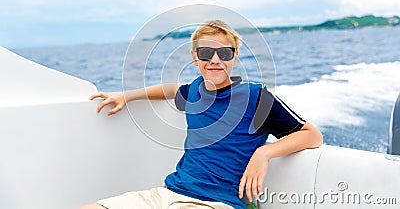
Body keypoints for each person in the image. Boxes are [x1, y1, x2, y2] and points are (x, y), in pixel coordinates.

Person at [79, 20, 323, 209]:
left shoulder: (255, 97)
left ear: (235, 57)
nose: (215, 60)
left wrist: (264, 152)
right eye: (206, 53)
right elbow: (171, 89)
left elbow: (311, 135)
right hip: (167, 193)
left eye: (224, 53)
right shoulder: (195, 91)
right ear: (195, 58)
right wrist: (127, 95)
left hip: (214, 202)